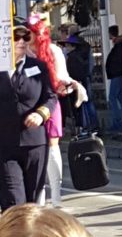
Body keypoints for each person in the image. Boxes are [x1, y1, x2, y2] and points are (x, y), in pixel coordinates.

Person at [0, 17, 57, 212]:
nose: (22, 42)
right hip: (2, 143)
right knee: (13, 200)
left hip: (34, 143)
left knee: (33, 202)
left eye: (26, 37)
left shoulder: (38, 67)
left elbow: (51, 98)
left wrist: (41, 115)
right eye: (16, 37)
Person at [27, 14, 88, 208]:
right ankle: (39, 196)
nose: (28, 36)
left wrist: (69, 84)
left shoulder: (53, 51)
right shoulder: (23, 51)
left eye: (31, 32)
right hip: (28, 105)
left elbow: (62, 76)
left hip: (50, 103)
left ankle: (56, 196)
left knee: (52, 147)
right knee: (35, 152)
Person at [105, 26, 122, 133]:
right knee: (120, 97)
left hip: (116, 75)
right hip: (118, 74)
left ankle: (117, 122)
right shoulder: (121, 46)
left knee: (112, 97)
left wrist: (112, 71)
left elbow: (116, 62)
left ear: (111, 34)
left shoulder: (119, 47)